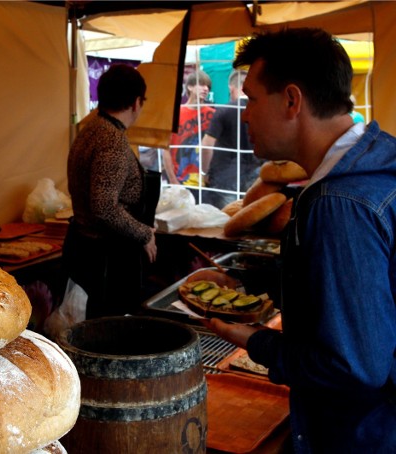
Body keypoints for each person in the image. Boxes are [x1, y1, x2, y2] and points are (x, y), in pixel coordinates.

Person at [199, 28, 396, 453]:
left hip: (358, 437)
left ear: (292, 100)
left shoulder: (341, 203)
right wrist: (264, 284)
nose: (244, 114)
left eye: (251, 98)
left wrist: (254, 340)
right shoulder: (375, 170)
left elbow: (355, 368)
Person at [63, 64, 158, 320]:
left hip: (87, 247)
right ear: (137, 102)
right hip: (106, 258)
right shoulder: (111, 140)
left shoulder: (91, 129)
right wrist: (144, 234)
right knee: (107, 331)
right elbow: (104, 206)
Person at [201, 69, 264, 208]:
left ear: (232, 87)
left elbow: (206, 145)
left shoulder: (224, 111)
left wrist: (204, 172)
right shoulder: (263, 112)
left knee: (225, 223)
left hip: (224, 179)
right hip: (255, 177)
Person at [163, 69, 215, 188]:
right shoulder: (175, 113)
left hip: (206, 181)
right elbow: (165, 149)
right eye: (201, 84)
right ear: (190, 87)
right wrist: (172, 179)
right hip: (180, 179)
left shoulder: (214, 114)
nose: (206, 89)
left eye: (208, 86)